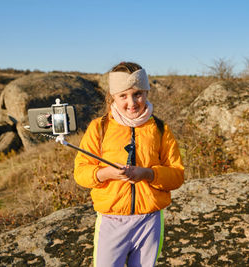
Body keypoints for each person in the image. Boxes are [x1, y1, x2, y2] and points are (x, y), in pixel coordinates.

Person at [74, 62, 184, 267]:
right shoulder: (99, 127)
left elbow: (177, 175)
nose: (132, 102)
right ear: (112, 96)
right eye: (123, 96)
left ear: (147, 92)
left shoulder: (160, 129)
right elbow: (80, 173)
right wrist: (105, 173)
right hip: (111, 220)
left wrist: (148, 174)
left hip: (149, 221)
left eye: (138, 94)